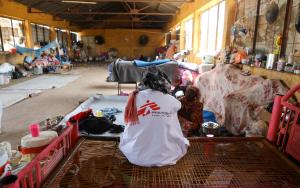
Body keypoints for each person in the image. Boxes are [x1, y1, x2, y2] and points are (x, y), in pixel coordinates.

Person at [119, 68, 189, 167]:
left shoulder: (134, 97)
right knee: (173, 127)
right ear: (165, 84)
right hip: (166, 156)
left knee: (131, 131)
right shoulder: (172, 100)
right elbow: (178, 109)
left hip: (135, 155)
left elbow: (128, 124)